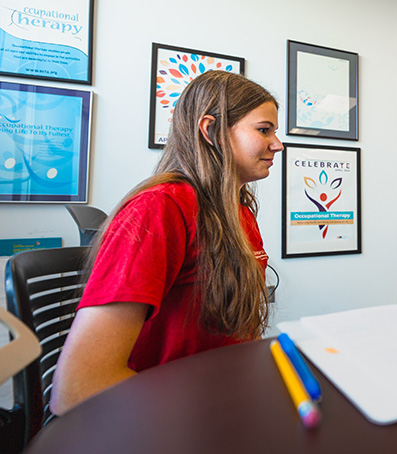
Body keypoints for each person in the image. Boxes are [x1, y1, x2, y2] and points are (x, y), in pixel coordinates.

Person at [50, 71, 283, 415]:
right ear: (211, 131)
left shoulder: (237, 210)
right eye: (264, 130)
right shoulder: (159, 208)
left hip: (223, 396)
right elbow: (78, 388)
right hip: (169, 416)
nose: (277, 144)